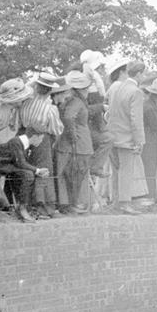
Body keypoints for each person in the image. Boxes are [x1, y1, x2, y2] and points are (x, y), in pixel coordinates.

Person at [105, 59, 148, 214]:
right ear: (138, 74)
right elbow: (136, 119)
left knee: (116, 171)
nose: (144, 77)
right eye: (144, 74)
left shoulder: (117, 88)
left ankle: (117, 202)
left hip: (112, 136)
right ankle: (125, 202)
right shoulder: (135, 92)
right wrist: (139, 141)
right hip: (126, 138)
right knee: (126, 171)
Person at [19, 72, 63, 219]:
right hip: (42, 139)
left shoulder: (25, 101)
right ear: (50, 90)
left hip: (25, 136)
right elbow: (57, 129)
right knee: (44, 171)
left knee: (29, 170)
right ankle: (45, 208)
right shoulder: (50, 109)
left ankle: (32, 206)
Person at [56, 71, 93, 214]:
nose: (87, 91)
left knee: (71, 173)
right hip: (78, 144)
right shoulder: (76, 102)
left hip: (75, 143)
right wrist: (72, 135)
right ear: (79, 90)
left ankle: (70, 204)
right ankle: (74, 204)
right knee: (76, 173)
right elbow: (69, 117)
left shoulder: (71, 101)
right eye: (85, 88)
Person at [0, 132, 49, 222]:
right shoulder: (16, 142)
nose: (41, 141)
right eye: (41, 138)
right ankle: (22, 209)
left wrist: (37, 171)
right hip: (2, 166)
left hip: (11, 166)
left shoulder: (25, 144)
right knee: (29, 175)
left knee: (30, 174)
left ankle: (26, 208)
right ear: (35, 136)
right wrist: (38, 170)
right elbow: (20, 163)